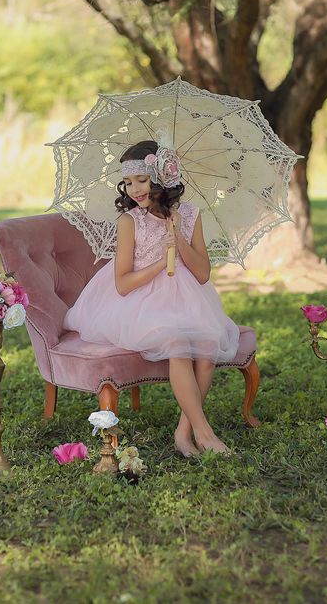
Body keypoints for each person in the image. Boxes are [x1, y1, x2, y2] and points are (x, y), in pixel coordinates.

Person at [64, 139, 240, 456]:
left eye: (142, 181)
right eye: (129, 182)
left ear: (162, 179)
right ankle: (206, 433)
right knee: (176, 343)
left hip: (186, 296)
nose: (134, 190)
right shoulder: (130, 221)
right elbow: (122, 284)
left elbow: (202, 273)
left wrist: (179, 241)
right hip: (139, 300)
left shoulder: (189, 214)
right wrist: (161, 261)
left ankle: (184, 432)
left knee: (207, 347)